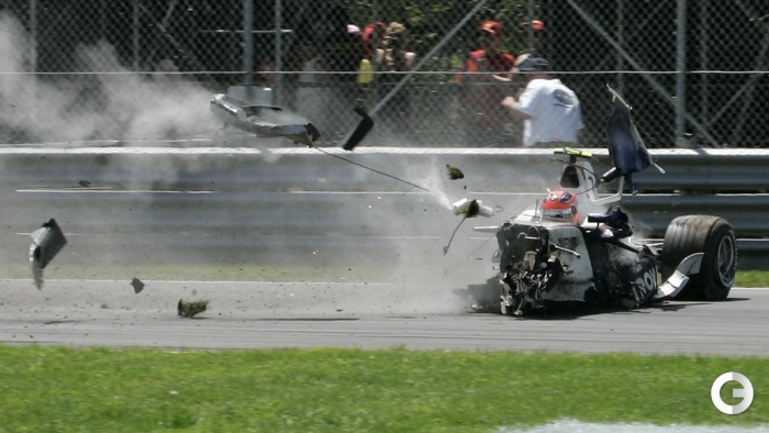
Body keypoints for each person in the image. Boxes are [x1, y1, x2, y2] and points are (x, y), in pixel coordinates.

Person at [455, 20, 516, 146]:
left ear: (498, 40)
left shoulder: (507, 60)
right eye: (483, 36)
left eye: (490, 37)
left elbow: (513, 86)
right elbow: (460, 85)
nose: (485, 40)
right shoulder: (472, 57)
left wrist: (488, 73)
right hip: (472, 119)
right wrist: (457, 109)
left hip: (498, 119)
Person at [501, 56, 584, 148]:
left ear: (541, 73)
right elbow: (578, 129)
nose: (526, 79)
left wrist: (509, 102)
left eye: (528, 74)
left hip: (543, 146)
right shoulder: (570, 93)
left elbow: (523, 112)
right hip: (570, 147)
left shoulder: (537, 83)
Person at [375, 22, 417, 138]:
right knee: (385, 121)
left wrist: (397, 54)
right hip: (386, 94)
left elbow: (408, 77)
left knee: (399, 122)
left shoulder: (408, 56)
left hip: (398, 95)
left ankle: (401, 137)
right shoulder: (381, 54)